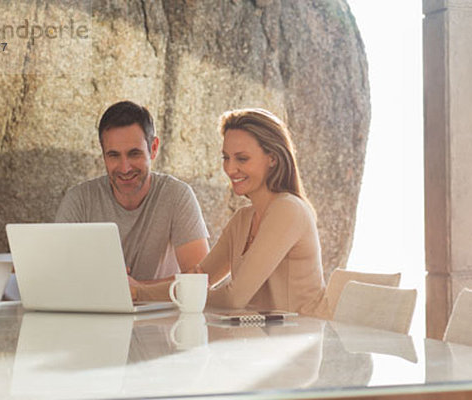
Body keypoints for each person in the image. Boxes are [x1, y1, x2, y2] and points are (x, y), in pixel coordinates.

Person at [132, 108, 328, 317]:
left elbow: (234, 299)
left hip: (300, 341)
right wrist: (136, 292)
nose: (230, 169)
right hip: (259, 342)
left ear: (273, 158)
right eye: (226, 158)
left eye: (242, 159)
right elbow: (201, 279)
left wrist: (195, 294)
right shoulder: (242, 220)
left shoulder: (288, 209)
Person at [55, 101, 209, 282]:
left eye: (134, 154)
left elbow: (200, 280)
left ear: (153, 149)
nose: (125, 168)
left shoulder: (176, 196)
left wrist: (136, 290)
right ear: (103, 154)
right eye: (114, 155)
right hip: (94, 310)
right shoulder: (78, 200)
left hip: (161, 310)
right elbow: (57, 276)